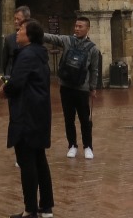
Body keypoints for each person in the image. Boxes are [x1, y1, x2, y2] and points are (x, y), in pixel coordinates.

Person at [3, 18, 54, 218]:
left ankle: (30, 209)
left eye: (21, 29)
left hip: (27, 115)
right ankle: (46, 207)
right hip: (39, 114)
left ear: (30, 35)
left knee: (27, 163)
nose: (17, 31)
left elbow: (16, 84)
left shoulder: (26, 55)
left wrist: (5, 89)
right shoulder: (39, 54)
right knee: (39, 159)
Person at [44, 16, 101, 160]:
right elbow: (52, 38)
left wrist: (93, 88)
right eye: (76, 26)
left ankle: (88, 146)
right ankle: (72, 145)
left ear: (87, 28)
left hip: (82, 88)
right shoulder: (68, 40)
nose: (77, 29)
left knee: (84, 119)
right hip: (66, 86)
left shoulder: (93, 49)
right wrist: (35, 31)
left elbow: (94, 69)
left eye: (80, 26)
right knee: (68, 118)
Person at [0, 5, 31, 79]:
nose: (16, 21)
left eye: (18, 19)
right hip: (11, 77)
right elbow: (5, 61)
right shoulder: (9, 39)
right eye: (15, 19)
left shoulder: (33, 38)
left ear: (26, 20)